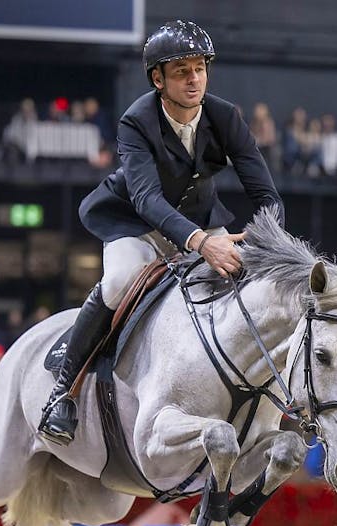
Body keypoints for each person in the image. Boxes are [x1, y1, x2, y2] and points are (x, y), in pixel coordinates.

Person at [39, 20, 284, 445]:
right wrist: (201, 242)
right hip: (135, 219)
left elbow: (266, 193)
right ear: (158, 79)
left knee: (248, 287)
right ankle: (64, 391)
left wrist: (269, 241)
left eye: (200, 69)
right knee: (118, 282)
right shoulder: (136, 122)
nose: (194, 79)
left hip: (201, 219)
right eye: (182, 71)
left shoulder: (225, 116)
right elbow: (147, 199)